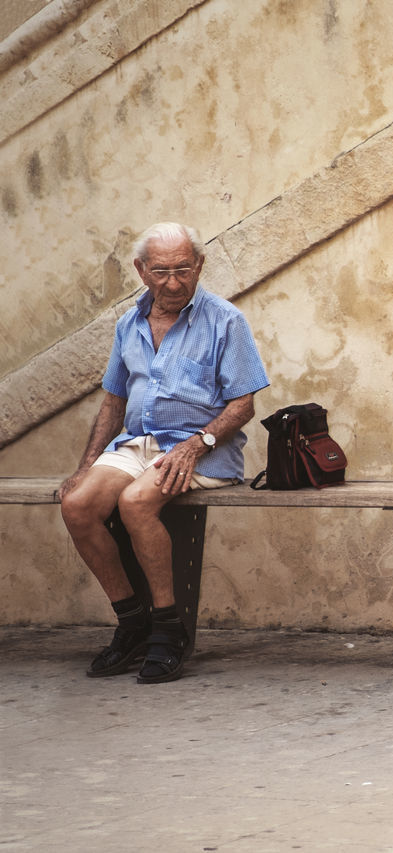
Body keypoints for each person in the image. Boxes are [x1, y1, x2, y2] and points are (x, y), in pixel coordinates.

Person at [58, 222, 269, 683]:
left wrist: (198, 444)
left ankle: (169, 629)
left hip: (201, 448)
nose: (173, 282)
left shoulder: (224, 319)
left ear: (199, 265)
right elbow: (114, 400)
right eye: (161, 271)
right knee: (77, 504)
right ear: (141, 270)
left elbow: (244, 403)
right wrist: (87, 466)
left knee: (136, 501)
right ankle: (132, 622)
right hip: (138, 444)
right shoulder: (127, 324)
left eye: (183, 270)